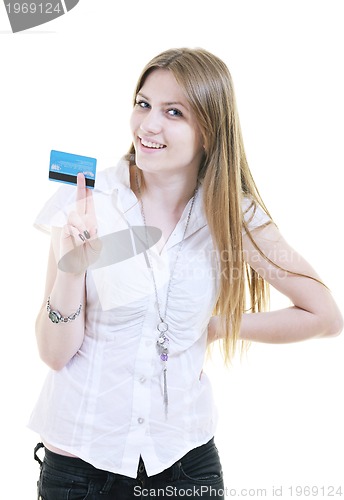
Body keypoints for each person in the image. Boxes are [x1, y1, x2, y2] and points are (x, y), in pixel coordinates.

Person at [30, 47, 343, 500]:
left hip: (185, 465)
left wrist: (214, 327)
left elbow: (325, 316)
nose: (148, 125)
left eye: (173, 112)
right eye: (143, 104)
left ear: (209, 132)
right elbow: (54, 354)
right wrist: (71, 267)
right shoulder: (88, 198)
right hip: (81, 467)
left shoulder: (232, 216)